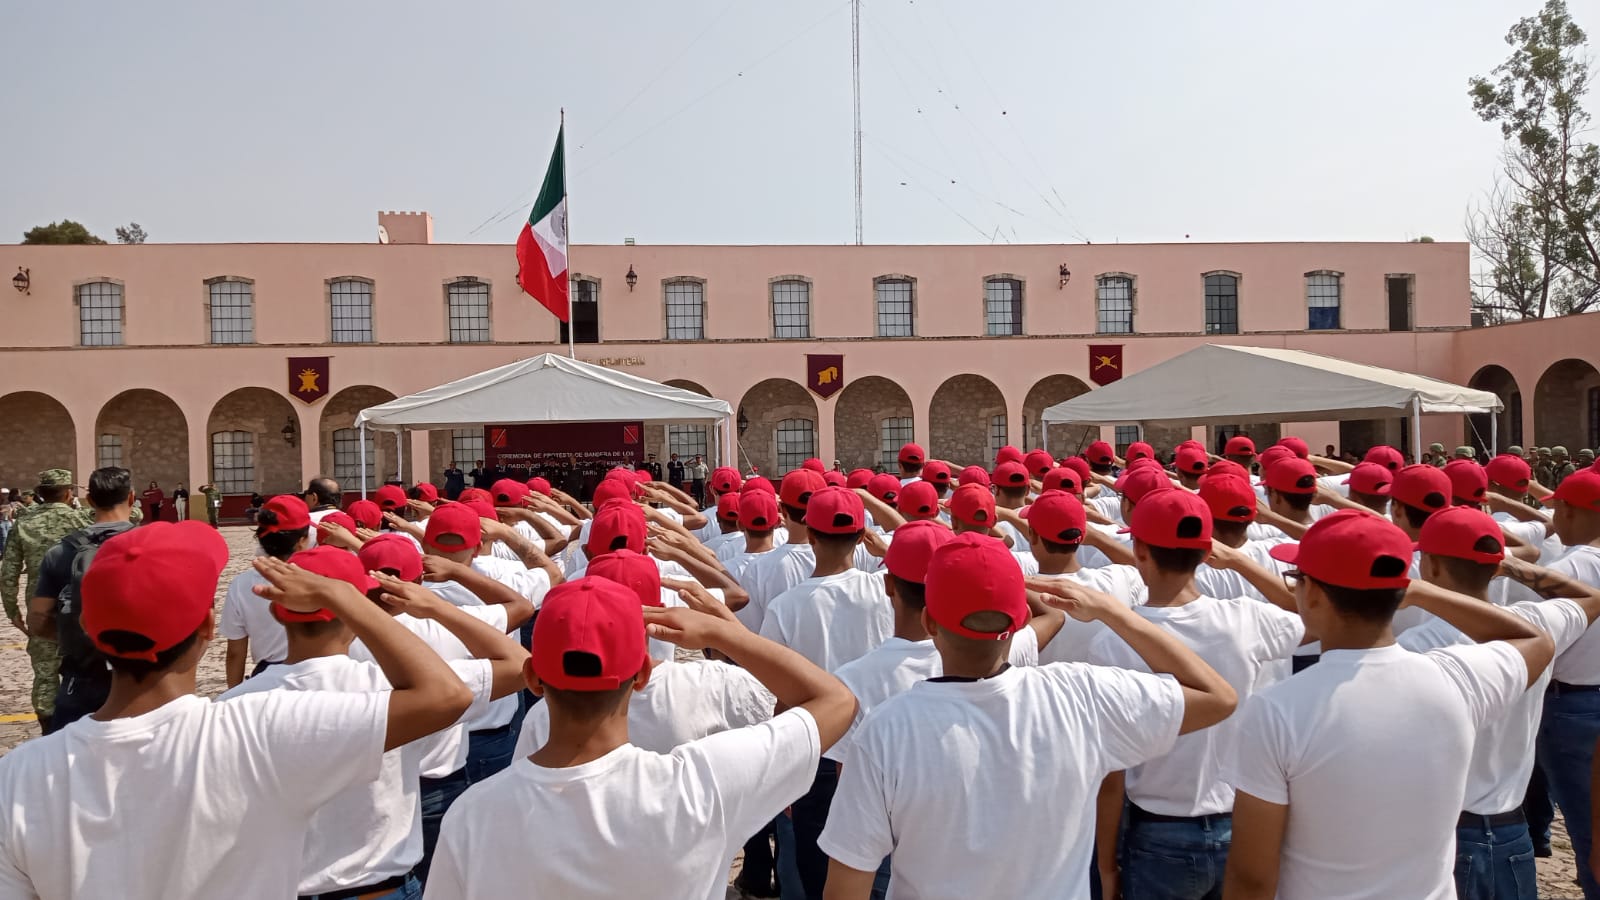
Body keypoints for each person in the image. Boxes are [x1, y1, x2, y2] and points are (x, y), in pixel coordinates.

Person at [0, 520, 473, 898]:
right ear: (207, 627)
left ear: (86, 625)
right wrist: (343, 596)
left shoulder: (18, 776)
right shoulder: (258, 730)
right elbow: (445, 695)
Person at [819, 532, 1238, 899]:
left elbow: (846, 886)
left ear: (930, 622)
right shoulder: (1082, 697)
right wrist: (1114, 612)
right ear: (1021, 621)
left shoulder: (885, 731)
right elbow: (1217, 696)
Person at [424, 576, 857, 900]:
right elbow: (834, 699)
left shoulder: (471, 816)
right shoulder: (702, 786)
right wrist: (722, 632)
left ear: (534, 678)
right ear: (644, 674)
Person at [1221, 510, 1553, 899]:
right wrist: (1421, 590)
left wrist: (1416, 589)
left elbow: (1252, 877)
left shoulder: (1276, 710)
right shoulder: (1456, 679)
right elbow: (1536, 642)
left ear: (1311, 592)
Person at [219, 545, 529, 900]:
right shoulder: (397, 688)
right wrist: (433, 606)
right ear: (359, 607)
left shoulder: (231, 705)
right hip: (380, 887)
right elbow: (520, 664)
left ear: (278, 611)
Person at [1091, 488, 1304, 899]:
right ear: (1207, 553)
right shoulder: (1245, 619)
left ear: (1139, 551)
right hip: (1241, 824)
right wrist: (1243, 563)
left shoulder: (1111, 643)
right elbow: (1309, 614)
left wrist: (1106, 864)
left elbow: (1111, 774)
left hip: (1157, 829)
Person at [1399, 506, 1600, 899]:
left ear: (1430, 565)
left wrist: (1428, 595)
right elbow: (1592, 599)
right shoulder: (1535, 627)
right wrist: (1510, 566)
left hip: (1445, 834)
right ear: (1494, 566)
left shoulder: (1412, 650)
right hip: (1511, 831)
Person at [1529, 469, 1600, 896]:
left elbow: (1538, 638)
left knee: (1589, 832)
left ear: (1569, 510)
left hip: (1575, 705)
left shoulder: (1572, 565)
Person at [25, 467, 138, 732]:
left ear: (90, 501)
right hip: (142, 675)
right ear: (131, 498)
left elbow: (39, 617)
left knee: (65, 760)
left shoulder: (61, 551)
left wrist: (73, 633)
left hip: (82, 673)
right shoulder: (153, 544)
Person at [0, 469, 91, 733]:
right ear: (67, 493)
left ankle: (49, 732)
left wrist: (12, 611)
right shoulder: (80, 519)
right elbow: (132, 515)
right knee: (84, 669)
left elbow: (9, 571)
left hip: (39, 610)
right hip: (78, 608)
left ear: (40, 494)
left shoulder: (23, 524)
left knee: (45, 673)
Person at [219, 495, 310, 687]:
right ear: (302, 540)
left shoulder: (241, 585)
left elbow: (236, 652)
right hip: (314, 672)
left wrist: (233, 693)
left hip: (266, 677)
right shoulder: (319, 578)